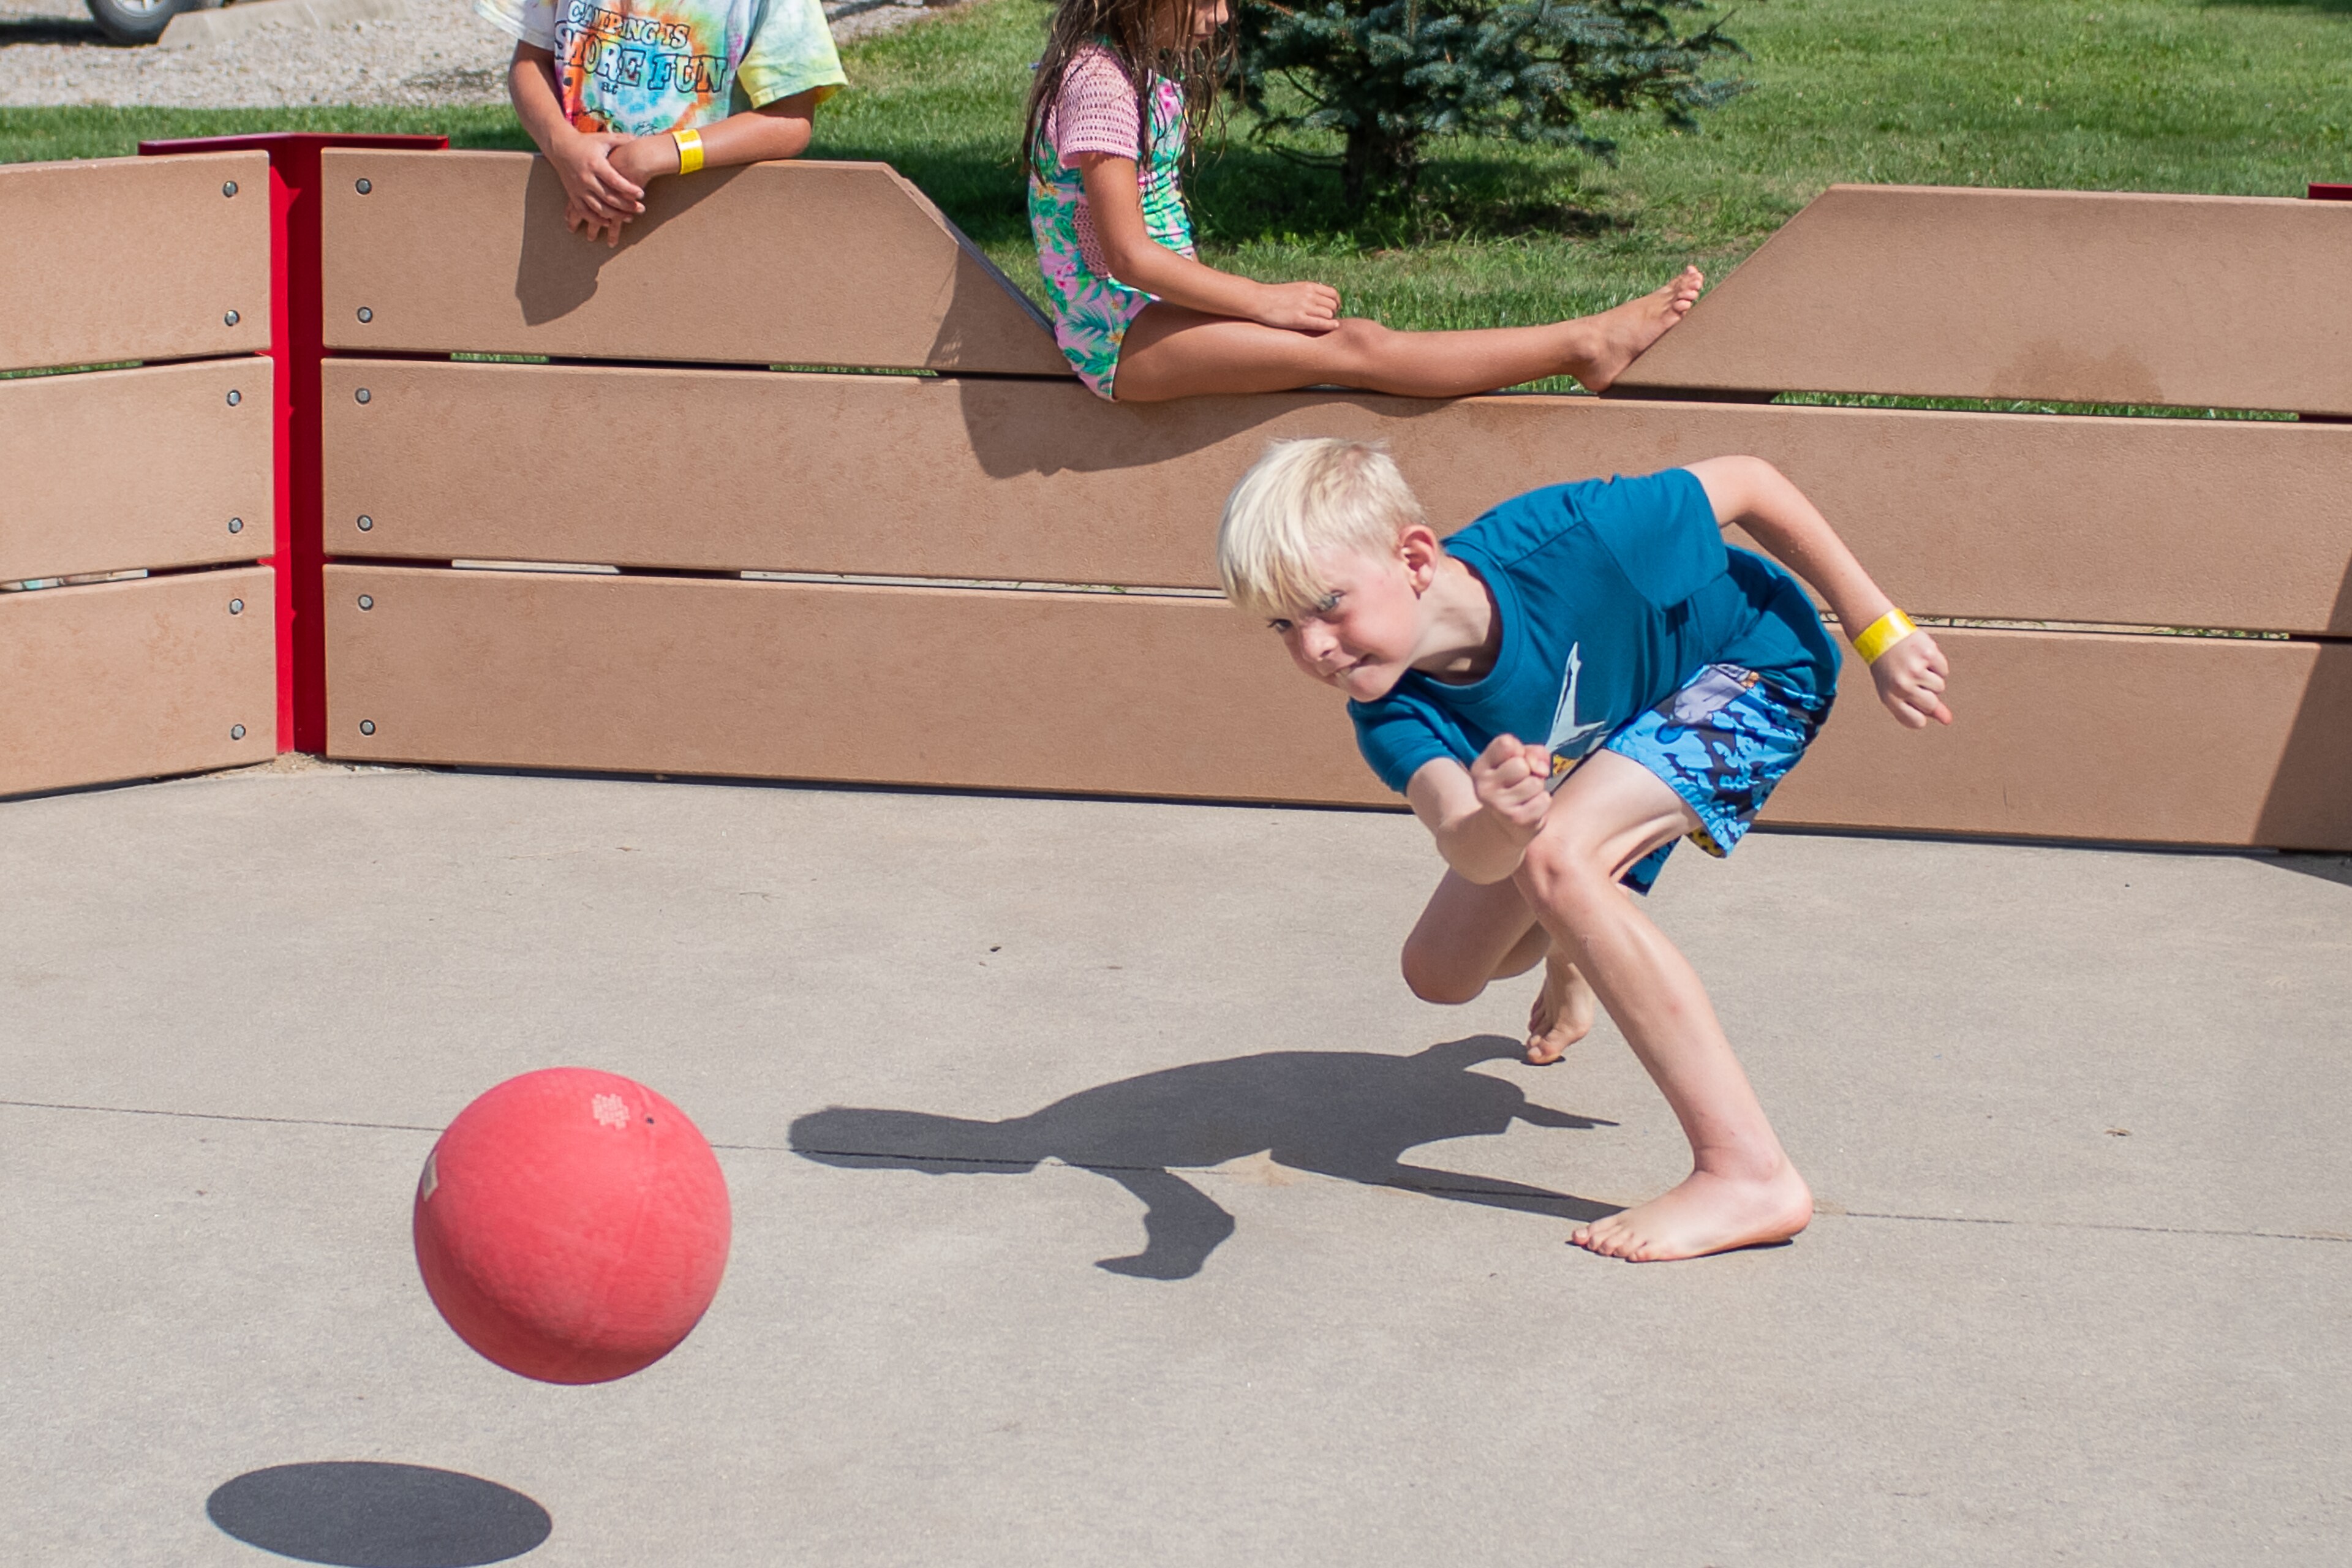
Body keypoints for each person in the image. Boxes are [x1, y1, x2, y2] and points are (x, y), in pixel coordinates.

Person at [1215, 439, 1953, 1261]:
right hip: (1608, 735)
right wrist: (1499, 817)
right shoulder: (1393, 712)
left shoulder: (1578, 539)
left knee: (1559, 861)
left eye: (1328, 604)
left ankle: (1749, 1175)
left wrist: (1878, 629)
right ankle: (1585, 928)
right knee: (1443, 971)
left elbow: (1752, 483)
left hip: (1750, 662)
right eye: (1285, 624)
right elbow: (1470, 847)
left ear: (1416, 556)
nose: (1313, 648)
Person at [1024, 0, 1705, 403]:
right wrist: (1263, 301)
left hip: (1145, 317)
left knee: (1345, 342)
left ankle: (1581, 344)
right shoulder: (1100, 84)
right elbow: (1129, 254)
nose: (1222, 15)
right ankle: (1584, 346)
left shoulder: (1126, 69)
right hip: (1115, 340)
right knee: (1354, 345)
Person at [478, 0, 848, 246]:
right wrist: (563, 145)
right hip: (578, 245)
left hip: (711, 247)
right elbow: (530, 62)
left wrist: (661, 154)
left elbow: (790, 120)